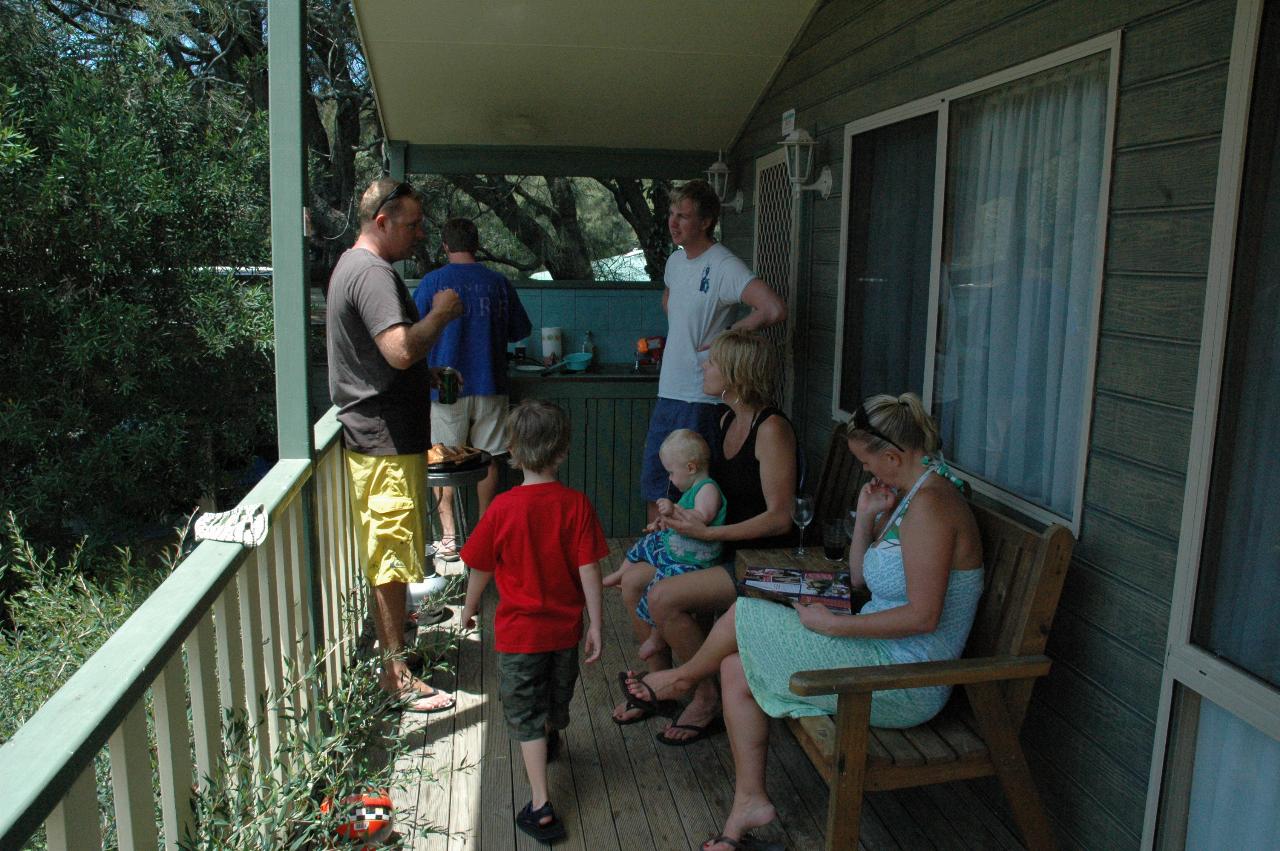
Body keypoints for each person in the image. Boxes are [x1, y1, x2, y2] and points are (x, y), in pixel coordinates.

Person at [622, 393, 985, 850]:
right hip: (874, 654)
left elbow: (922, 616)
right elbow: (858, 579)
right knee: (736, 666)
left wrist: (833, 627)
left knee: (747, 612)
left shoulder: (933, 506)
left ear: (893, 455)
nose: (868, 473)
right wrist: (867, 517)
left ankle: (682, 679)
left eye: (868, 464)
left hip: (905, 679)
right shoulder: (910, 496)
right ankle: (749, 802)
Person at [610, 330, 796, 746]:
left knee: (664, 596)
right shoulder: (726, 418)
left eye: (711, 363)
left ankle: (705, 695)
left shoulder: (771, 429)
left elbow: (781, 519)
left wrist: (709, 531)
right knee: (633, 578)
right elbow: (708, 493)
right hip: (718, 548)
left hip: (759, 562)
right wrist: (677, 518)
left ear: (734, 372)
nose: (704, 368)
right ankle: (657, 685)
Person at [326, 177, 463, 713]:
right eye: (412, 223)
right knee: (389, 557)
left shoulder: (354, 268)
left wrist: (425, 379)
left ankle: (397, 651)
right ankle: (396, 674)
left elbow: (379, 359)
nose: (420, 232)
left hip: (386, 433)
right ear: (381, 221)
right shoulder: (373, 273)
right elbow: (400, 349)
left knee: (397, 549)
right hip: (381, 438)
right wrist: (441, 315)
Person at [458, 400, 608, 845]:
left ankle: (540, 806)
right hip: (564, 633)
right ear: (562, 452)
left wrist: (469, 607)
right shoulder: (576, 505)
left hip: (519, 636)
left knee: (525, 712)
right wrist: (597, 624)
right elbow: (590, 570)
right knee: (555, 703)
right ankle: (546, 751)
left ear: (512, 452)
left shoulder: (502, 509)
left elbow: (480, 566)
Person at [641, 179, 787, 525]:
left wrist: (728, 335)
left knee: (691, 492)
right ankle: (655, 561)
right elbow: (669, 301)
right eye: (671, 214)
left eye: (684, 216)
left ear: (705, 221)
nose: (673, 223)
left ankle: (688, 564)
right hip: (668, 392)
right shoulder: (676, 263)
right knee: (656, 486)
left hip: (700, 397)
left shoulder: (723, 265)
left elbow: (773, 309)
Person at [413, 217, 532, 561]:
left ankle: (449, 540)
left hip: (446, 386)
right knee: (490, 457)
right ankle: (485, 534)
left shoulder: (432, 282)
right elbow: (519, 330)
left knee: (443, 462)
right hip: (491, 382)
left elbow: (415, 332)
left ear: (445, 246)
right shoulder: (498, 283)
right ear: (477, 244)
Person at [603, 428, 727, 660]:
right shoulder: (692, 488)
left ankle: (657, 637)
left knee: (660, 587)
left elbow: (703, 516)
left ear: (691, 468)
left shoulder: (708, 488)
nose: (669, 478)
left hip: (695, 560)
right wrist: (664, 521)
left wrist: (673, 509)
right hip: (680, 549)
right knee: (647, 542)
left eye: (671, 472)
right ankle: (620, 573)